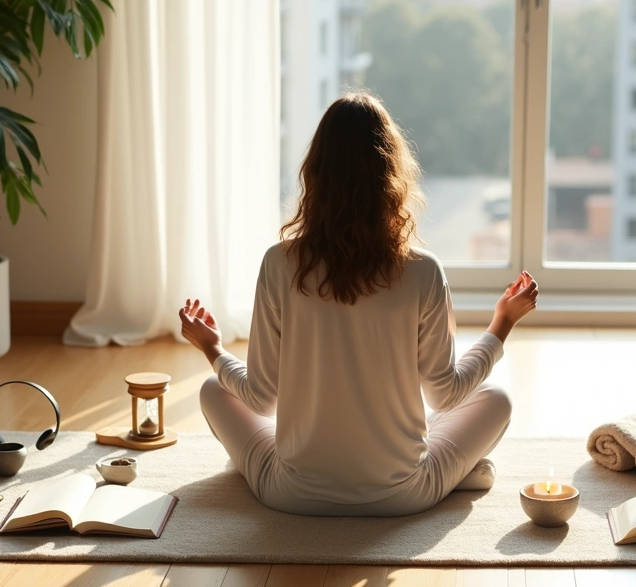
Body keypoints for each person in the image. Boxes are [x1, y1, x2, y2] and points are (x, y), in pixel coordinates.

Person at [179, 92, 539, 517]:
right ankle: (456, 474)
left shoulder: (279, 263)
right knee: (496, 397)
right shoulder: (423, 271)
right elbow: (444, 396)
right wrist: (501, 325)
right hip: (404, 496)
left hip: (289, 494)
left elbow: (260, 400)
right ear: (392, 176)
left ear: (315, 174)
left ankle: (251, 464)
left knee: (211, 389)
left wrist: (212, 349)